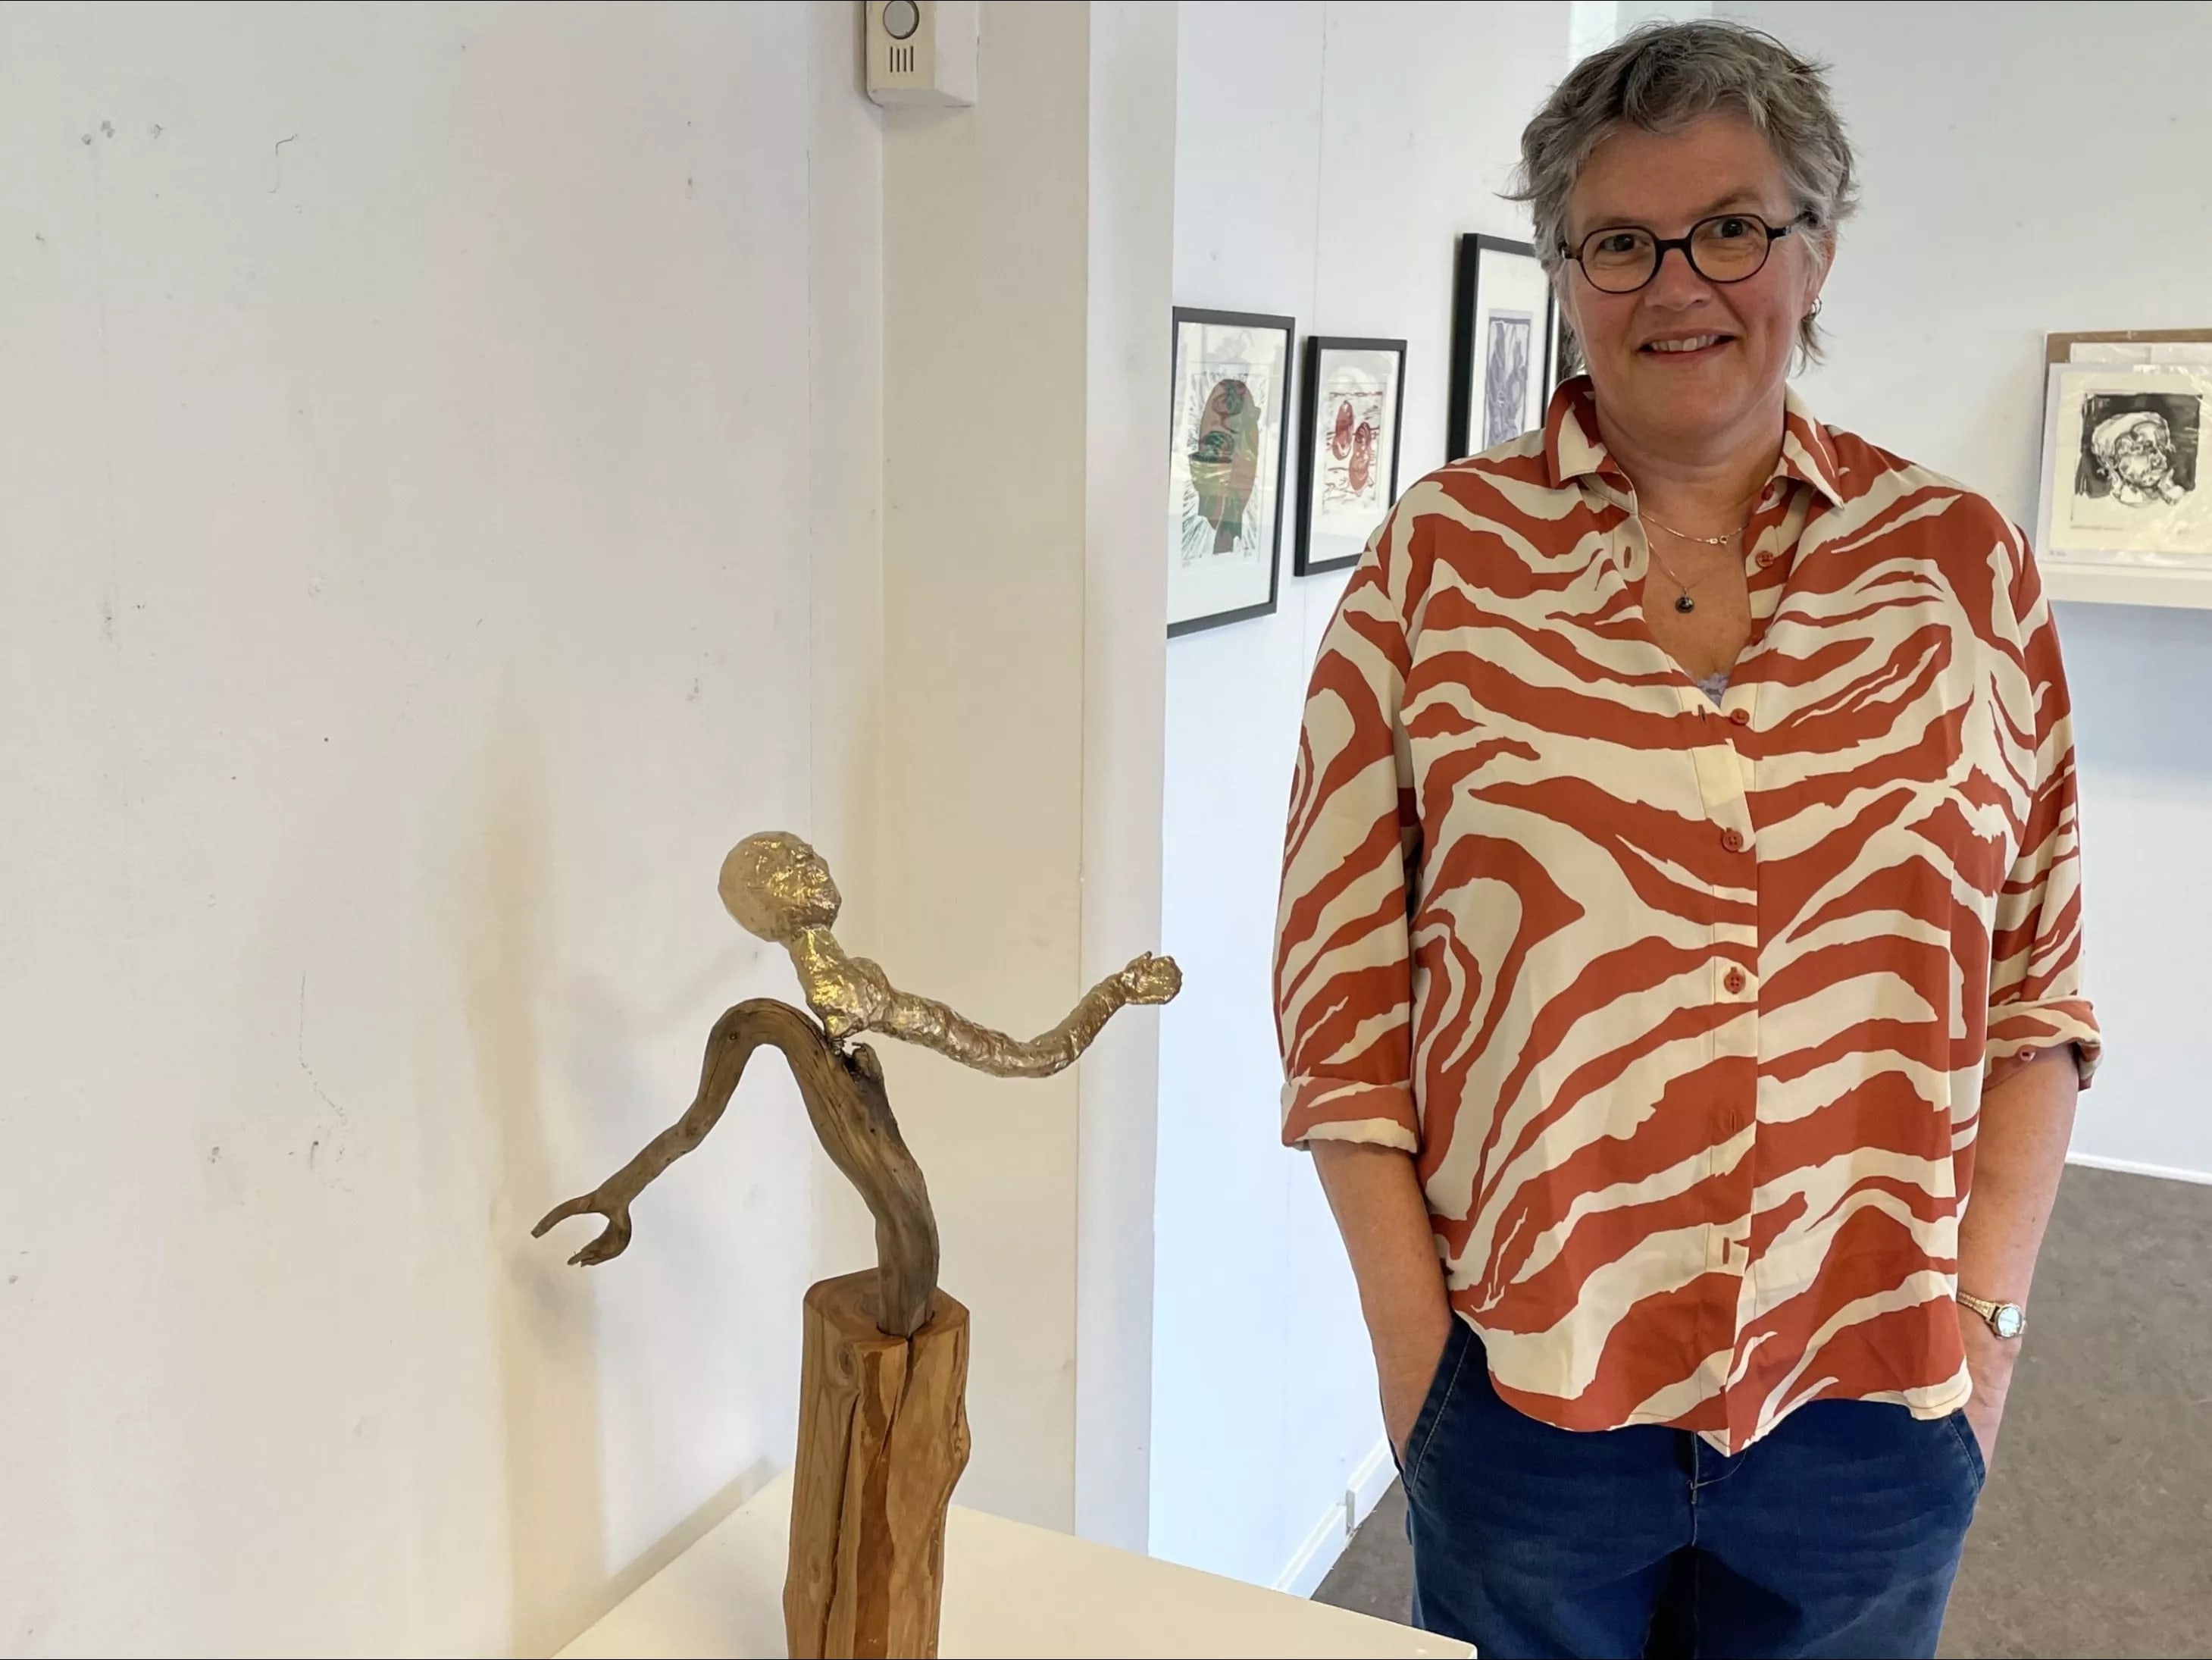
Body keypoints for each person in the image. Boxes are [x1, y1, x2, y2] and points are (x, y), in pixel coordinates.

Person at [1272, 20, 2099, 1659]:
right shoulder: (1437, 564)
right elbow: (1337, 1001)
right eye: (1619, 242)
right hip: (1526, 1386)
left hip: (1871, 1396)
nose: (1677, 285)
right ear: (1567, 273)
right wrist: (1414, 1363)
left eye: (1730, 228)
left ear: (1815, 251)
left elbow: (2038, 983)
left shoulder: (1960, 571)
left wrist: (1986, 1328)